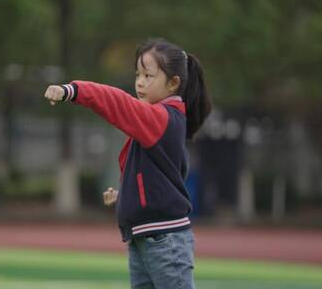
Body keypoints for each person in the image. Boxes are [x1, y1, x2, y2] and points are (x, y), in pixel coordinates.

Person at [44, 38, 212, 289]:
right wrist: (126, 195)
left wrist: (73, 91)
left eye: (148, 75)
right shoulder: (159, 122)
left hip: (164, 241)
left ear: (173, 83)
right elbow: (165, 178)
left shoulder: (162, 118)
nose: (140, 83)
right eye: (138, 75)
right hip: (144, 238)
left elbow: (117, 103)